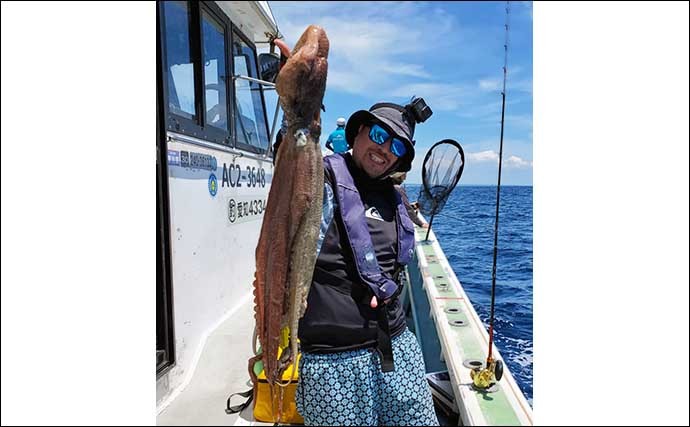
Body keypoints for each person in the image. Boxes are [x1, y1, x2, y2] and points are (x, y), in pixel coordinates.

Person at [296, 99, 439, 426]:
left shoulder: (396, 197)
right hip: (333, 362)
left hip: (397, 348)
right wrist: (300, 104)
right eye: (378, 134)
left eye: (397, 145)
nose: (385, 148)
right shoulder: (320, 180)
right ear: (358, 132)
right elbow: (293, 157)